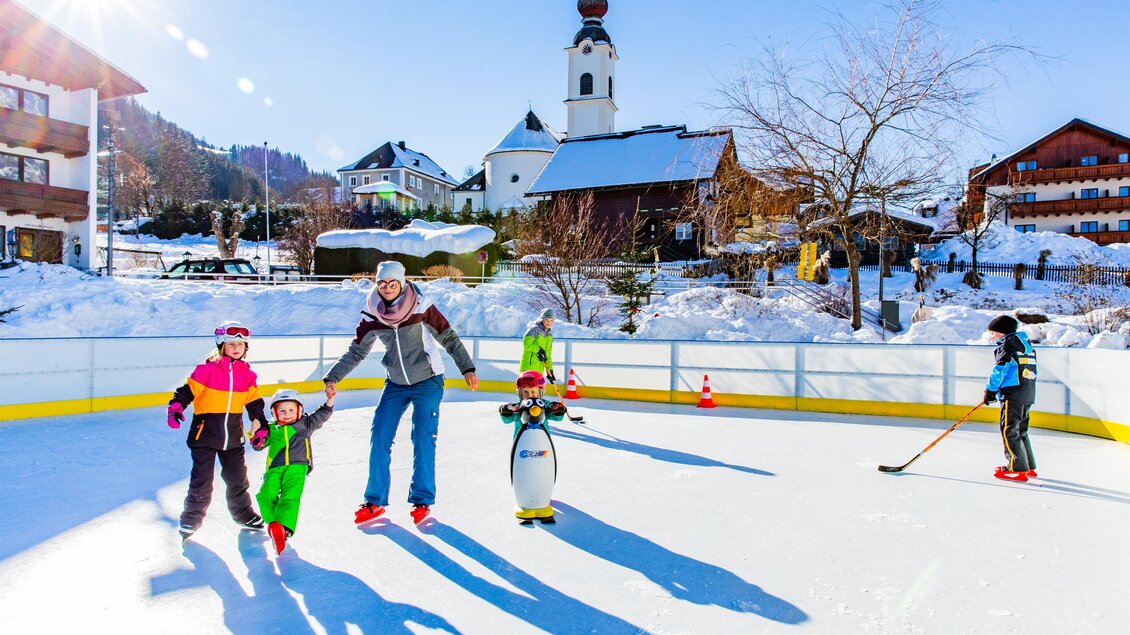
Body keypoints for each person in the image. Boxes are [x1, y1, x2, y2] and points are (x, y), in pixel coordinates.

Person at [323, 261, 478, 525]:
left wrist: (467, 368)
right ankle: (374, 501)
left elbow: (448, 337)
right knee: (379, 435)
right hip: (395, 382)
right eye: (382, 283)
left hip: (428, 380)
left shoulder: (421, 306)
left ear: (402, 283)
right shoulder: (373, 313)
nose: (387, 288)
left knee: (422, 436)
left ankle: (422, 500)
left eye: (392, 283)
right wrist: (333, 376)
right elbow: (357, 351)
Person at [167, 321, 267, 541]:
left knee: (237, 479)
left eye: (241, 344)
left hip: (233, 436)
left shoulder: (247, 376)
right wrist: (175, 407)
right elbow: (186, 391)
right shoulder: (207, 370)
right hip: (204, 435)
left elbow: (255, 405)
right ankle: (191, 517)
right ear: (221, 345)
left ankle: (243, 514)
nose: (237, 348)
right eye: (231, 343)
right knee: (202, 480)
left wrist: (261, 424)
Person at [249, 388, 335, 554]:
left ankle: (285, 528)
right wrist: (254, 433)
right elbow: (258, 445)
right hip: (274, 468)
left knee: (290, 497)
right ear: (274, 412)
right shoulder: (272, 429)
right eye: (282, 410)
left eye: (290, 410)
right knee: (265, 494)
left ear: (299, 410)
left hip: (298, 466)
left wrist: (330, 400)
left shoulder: (305, 424)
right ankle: (275, 524)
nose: (286, 414)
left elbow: (321, 415)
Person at [983, 315, 1038, 482]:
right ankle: (1028, 466)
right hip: (1027, 393)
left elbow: (1000, 369)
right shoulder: (1027, 346)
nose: (992, 336)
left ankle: (1016, 467)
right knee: (1021, 430)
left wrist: (990, 390)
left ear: (1002, 332)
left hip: (1012, 394)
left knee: (1009, 429)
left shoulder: (1007, 345)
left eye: (993, 332)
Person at [521, 308, 556, 384]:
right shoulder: (534, 329)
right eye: (546, 319)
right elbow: (527, 343)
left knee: (537, 393)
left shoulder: (549, 336)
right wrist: (539, 350)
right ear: (542, 319)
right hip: (529, 367)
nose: (548, 322)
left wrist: (550, 370)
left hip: (539, 369)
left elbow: (548, 355)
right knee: (527, 391)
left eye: (551, 320)